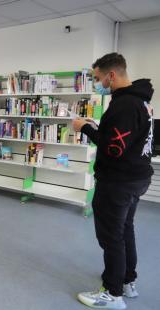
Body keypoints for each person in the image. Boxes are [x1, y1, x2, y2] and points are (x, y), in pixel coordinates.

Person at [73, 53, 154, 310]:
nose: (97, 83)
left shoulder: (125, 105)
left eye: (98, 78)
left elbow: (113, 149)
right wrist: (97, 126)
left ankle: (112, 293)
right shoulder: (140, 102)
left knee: (111, 237)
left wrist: (84, 128)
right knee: (124, 230)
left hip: (118, 182)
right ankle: (127, 281)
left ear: (111, 75)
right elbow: (122, 138)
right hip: (136, 178)